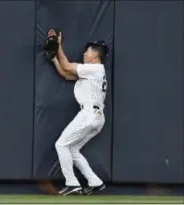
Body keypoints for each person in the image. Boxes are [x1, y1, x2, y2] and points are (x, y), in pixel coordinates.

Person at [47, 29, 109, 196]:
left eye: (87, 51)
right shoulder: (93, 73)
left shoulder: (95, 69)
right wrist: (54, 60)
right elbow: (66, 74)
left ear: (95, 56)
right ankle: (95, 182)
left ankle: (72, 183)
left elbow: (67, 66)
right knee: (72, 150)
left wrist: (58, 47)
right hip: (97, 117)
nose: (84, 53)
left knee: (61, 145)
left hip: (88, 114)